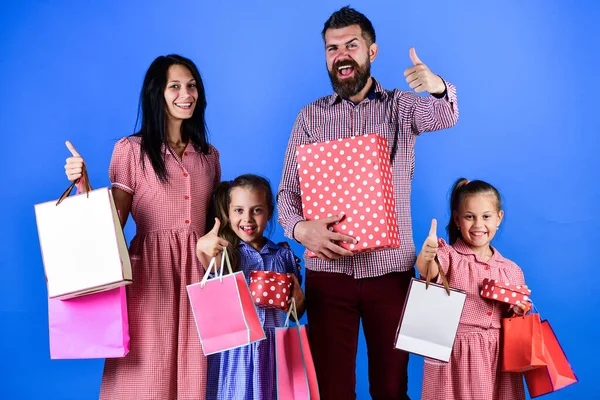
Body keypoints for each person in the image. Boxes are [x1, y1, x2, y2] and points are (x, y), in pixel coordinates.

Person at [277, 6, 459, 399]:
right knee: (332, 389)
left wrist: (436, 85)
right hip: (328, 274)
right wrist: (299, 229)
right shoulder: (309, 118)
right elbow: (287, 196)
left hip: (390, 272)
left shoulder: (402, 107)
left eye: (351, 45)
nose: (341, 54)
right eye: (332, 48)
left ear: (371, 52)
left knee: (392, 387)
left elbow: (447, 114)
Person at [64, 54, 221, 400]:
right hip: (150, 276)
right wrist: (84, 186)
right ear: (157, 94)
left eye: (192, 85)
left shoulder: (210, 156)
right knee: (146, 373)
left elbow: (214, 224)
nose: (187, 94)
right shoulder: (131, 152)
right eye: (175, 86)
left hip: (198, 277)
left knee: (196, 374)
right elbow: (113, 226)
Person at [196, 174, 305, 400]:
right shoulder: (226, 254)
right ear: (227, 212)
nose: (248, 218)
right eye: (239, 210)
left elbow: (295, 312)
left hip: (274, 352)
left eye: (257, 210)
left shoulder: (283, 255)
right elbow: (209, 262)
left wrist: (299, 301)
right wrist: (202, 247)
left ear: (269, 212)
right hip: (235, 352)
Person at [417, 178, 527, 400]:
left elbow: (514, 322)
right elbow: (429, 273)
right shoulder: (449, 256)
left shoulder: (512, 270)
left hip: (498, 357)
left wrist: (518, 310)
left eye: (486, 216)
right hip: (456, 354)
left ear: (499, 218)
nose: (478, 225)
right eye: (470, 217)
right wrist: (427, 256)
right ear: (458, 220)